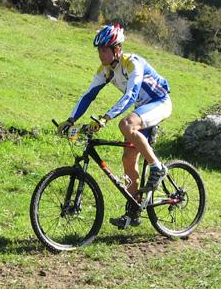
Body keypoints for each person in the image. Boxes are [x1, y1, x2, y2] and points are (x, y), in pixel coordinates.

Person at [58, 23, 172, 229]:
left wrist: (105, 118)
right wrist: (70, 120)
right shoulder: (105, 70)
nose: (100, 54)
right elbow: (88, 95)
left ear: (116, 49)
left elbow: (131, 96)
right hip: (142, 110)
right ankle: (134, 210)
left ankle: (157, 168)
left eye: (104, 50)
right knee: (128, 161)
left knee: (126, 124)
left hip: (159, 103)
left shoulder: (132, 63)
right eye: (99, 50)